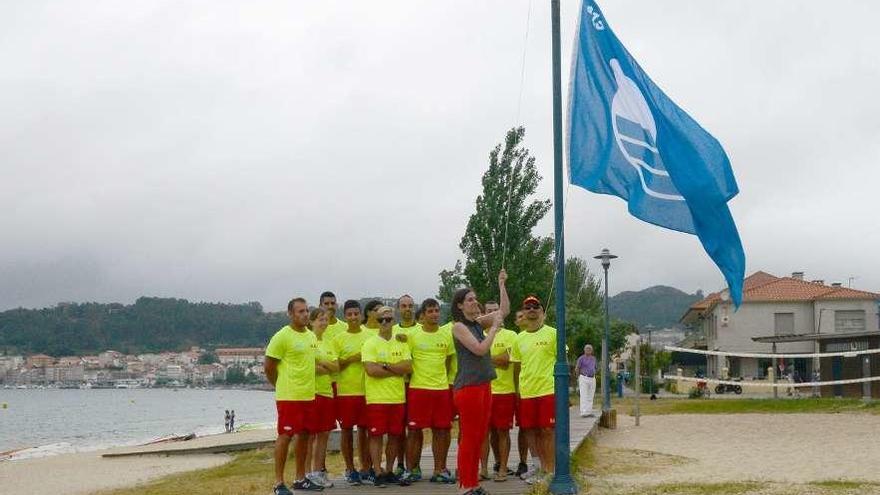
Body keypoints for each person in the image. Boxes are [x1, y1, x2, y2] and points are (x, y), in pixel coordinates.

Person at [450, 269, 509, 495]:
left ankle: (472, 482)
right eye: (470, 299)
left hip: (484, 385)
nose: (475, 302)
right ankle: (465, 485)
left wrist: (501, 284)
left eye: (475, 298)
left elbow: (503, 311)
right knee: (470, 437)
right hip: (469, 388)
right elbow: (479, 349)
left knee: (478, 436)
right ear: (460, 306)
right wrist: (493, 330)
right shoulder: (459, 327)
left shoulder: (476, 322)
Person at [264, 297, 323, 494]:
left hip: (308, 395)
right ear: (291, 314)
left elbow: (311, 365)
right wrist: (279, 386)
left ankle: (300, 478)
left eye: (307, 310)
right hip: (289, 396)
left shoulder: (311, 337)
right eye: (300, 311)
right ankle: (279, 483)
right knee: (285, 436)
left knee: (305, 436)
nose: (305, 314)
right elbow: (269, 367)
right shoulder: (282, 336)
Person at [404, 298, 456, 484]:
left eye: (436, 311)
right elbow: (406, 360)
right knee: (414, 431)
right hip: (418, 389)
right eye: (430, 311)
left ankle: (439, 470)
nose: (434, 314)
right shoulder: (412, 335)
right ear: (423, 315)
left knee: (442, 431)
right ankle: (412, 470)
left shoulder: (446, 335)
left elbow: (449, 361)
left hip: (441, 390)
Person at [362, 306, 413, 487]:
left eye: (389, 319)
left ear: (393, 320)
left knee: (395, 436)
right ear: (375, 321)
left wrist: (384, 365)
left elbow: (408, 367)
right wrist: (394, 368)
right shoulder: (370, 343)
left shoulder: (401, 343)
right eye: (381, 320)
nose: (385, 323)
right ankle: (377, 471)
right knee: (375, 436)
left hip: (397, 398)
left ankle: (390, 470)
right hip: (376, 399)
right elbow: (371, 370)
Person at [511, 295, 557, 485]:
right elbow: (516, 368)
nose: (531, 310)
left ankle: (550, 469)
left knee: (546, 430)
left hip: (548, 390)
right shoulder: (519, 338)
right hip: (526, 392)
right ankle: (538, 466)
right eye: (527, 307)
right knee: (529, 430)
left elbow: (562, 363)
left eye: (535, 307)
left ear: (542, 312)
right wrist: (517, 392)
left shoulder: (553, 333)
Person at [332, 300, 376, 485]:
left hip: (367, 390)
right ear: (345, 316)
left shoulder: (370, 336)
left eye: (356, 314)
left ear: (361, 315)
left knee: (366, 431)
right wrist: (352, 358)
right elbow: (335, 366)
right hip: (346, 392)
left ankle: (367, 467)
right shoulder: (339, 339)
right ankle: (350, 469)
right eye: (349, 314)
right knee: (347, 431)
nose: (353, 318)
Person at [479, 300, 518, 482]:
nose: (494, 314)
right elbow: (497, 359)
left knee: (502, 431)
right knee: (484, 432)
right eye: (490, 311)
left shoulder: (511, 335)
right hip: (483, 390)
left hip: (505, 391)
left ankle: (502, 467)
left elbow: (505, 360)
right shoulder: (478, 333)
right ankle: (484, 468)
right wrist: (494, 358)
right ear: (484, 314)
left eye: (497, 311)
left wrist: (483, 356)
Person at [304, 307, 340, 489]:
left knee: (324, 433)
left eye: (325, 319)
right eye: (320, 319)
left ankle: (318, 471)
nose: (323, 322)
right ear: (311, 322)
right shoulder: (307, 339)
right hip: (311, 392)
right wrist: (325, 366)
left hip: (327, 391)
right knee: (310, 435)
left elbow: (336, 367)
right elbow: (308, 366)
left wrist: (322, 363)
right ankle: (306, 473)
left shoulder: (329, 341)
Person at [390, 295, 419, 478]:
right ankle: (400, 464)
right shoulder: (391, 330)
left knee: (415, 427)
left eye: (410, 305)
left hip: (417, 385)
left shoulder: (422, 329)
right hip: (397, 385)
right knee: (399, 428)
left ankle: (414, 465)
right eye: (403, 306)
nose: (407, 309)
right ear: (398, 309)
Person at [576, 344, 597, 417]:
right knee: (584, 395)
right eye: (587, 349)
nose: (588, 350)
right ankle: (583, 412)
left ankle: (589, 411)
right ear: (584, 350)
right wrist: (578, 378)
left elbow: (595, 368)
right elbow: (577, 368)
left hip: (592, 378)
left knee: (590, 395)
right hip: (584, 377)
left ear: (592, 351)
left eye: (590, 349)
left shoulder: (593, 358)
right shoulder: (581, 358)